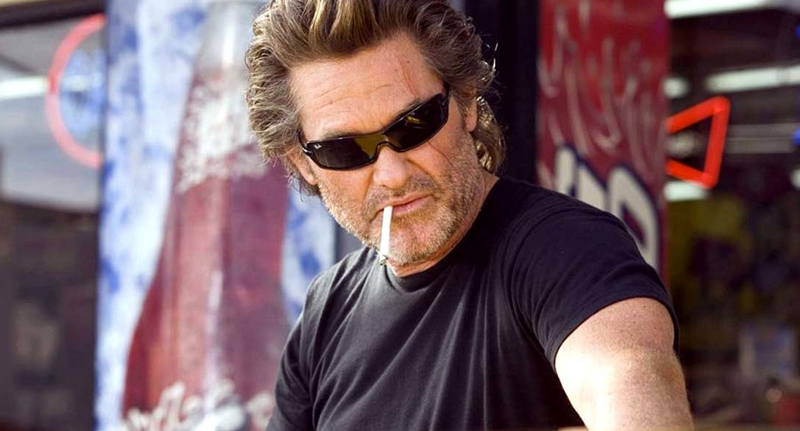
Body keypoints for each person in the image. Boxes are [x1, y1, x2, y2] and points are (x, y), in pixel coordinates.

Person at [246, 1, 693, 430]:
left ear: (467, 100)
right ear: (304, 163)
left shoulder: (565, 249)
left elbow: (626, 378)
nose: (392, 174)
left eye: (415, 124)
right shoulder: (327, 310)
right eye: (344, 149)